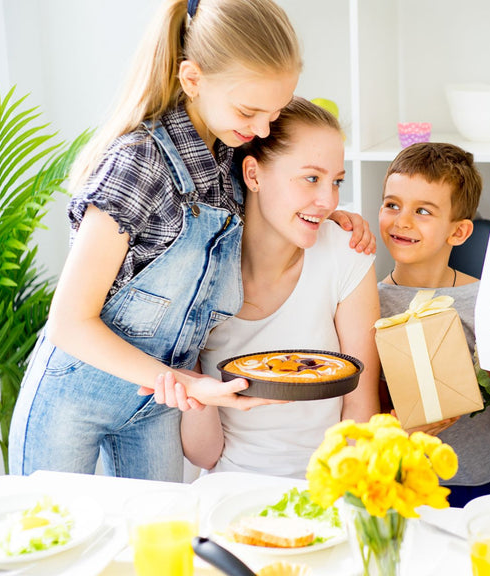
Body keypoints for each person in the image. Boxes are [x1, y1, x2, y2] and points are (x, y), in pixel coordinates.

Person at [9, 0, 374, 481]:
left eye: (275, 112)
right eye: (251, 110)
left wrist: (326, 211)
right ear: (193, 79)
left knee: (156, 546)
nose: (262, 129)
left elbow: (279, 194)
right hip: (78, 398)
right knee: (53, 540)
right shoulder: (138, 162)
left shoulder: (229, 154)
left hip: (159, 404)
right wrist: (182, 382)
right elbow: (69, 324)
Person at [158, 97, 381, 478]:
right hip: (232, 488)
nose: (328, 201)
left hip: (330, 484)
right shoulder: (202, 269)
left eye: (336, 182)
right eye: (311, 178)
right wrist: (196, 391)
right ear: (253, 174)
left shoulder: (346, 255)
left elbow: (360, 412)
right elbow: (204, 454)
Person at [376, 142, 490, 507]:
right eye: (392, 205)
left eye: (423, 211)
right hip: (412, 485)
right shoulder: (366, 305)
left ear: (459, 232)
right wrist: (395, 428)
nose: (402, 220)